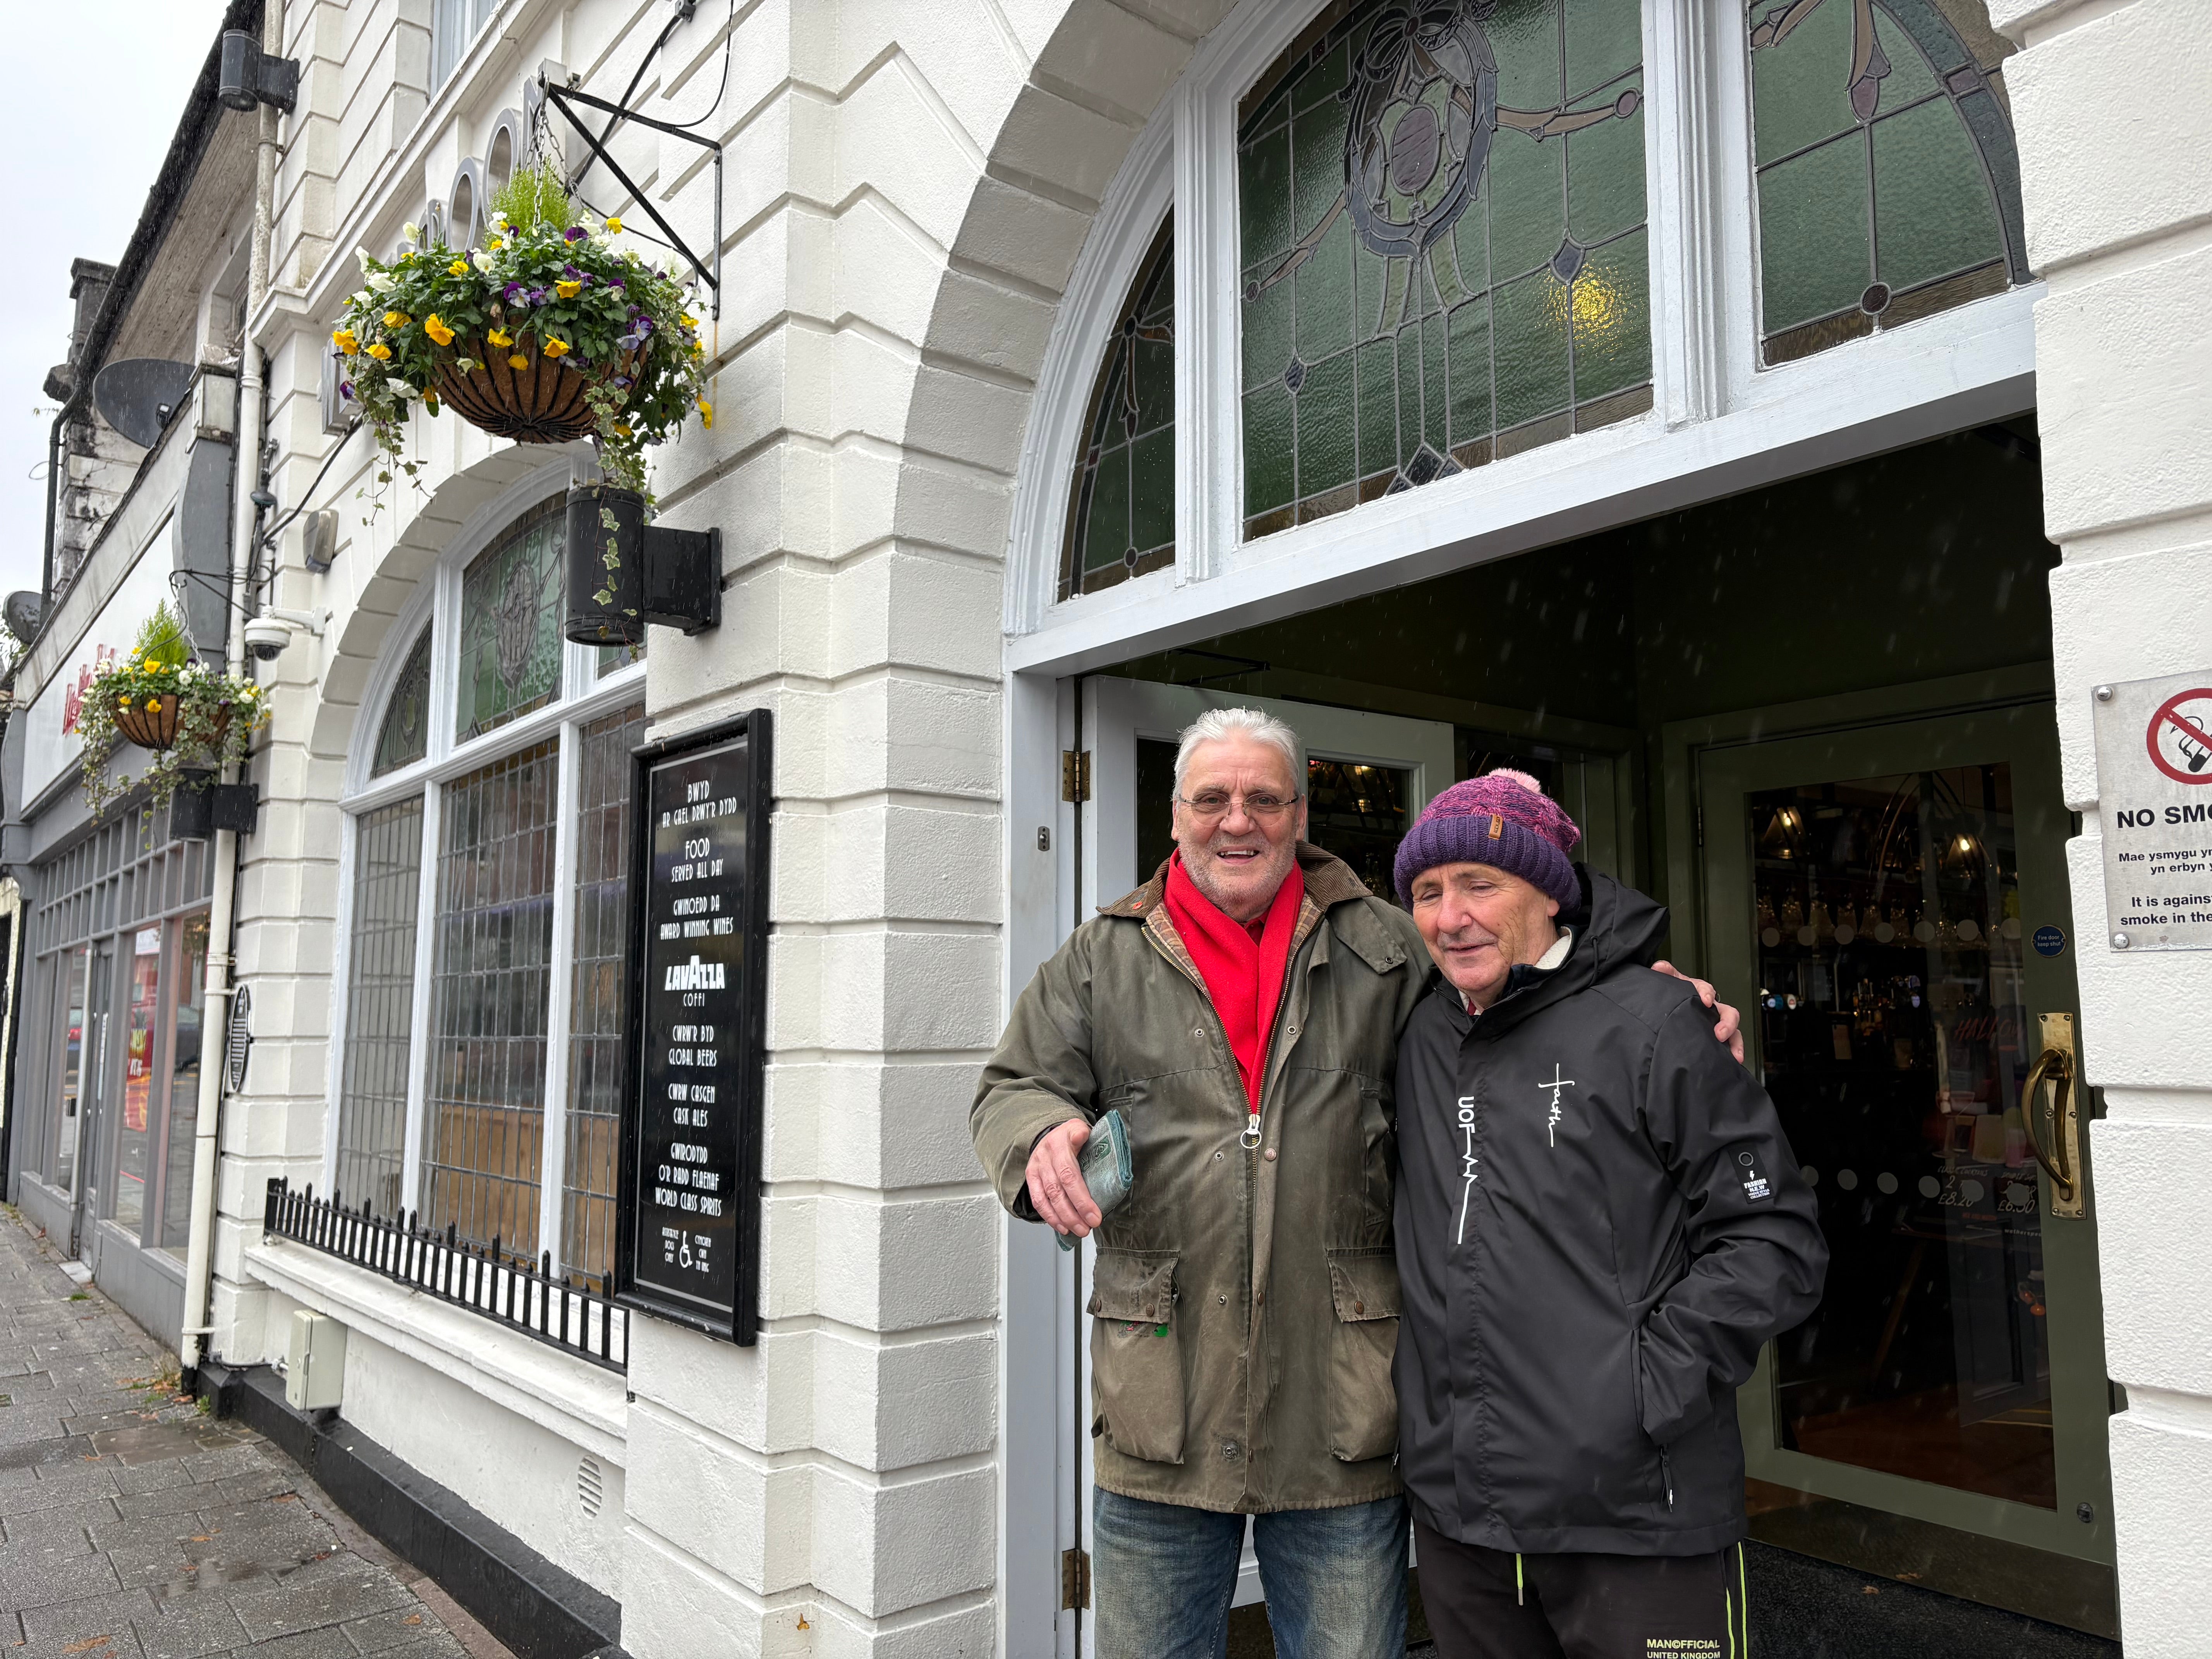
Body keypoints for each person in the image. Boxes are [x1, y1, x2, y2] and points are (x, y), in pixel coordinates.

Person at [972, 710, 1745, 1659]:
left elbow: (1527, 988)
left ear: (1301, 816)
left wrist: (1661, 1005)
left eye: (1264, 798)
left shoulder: (1394, 949)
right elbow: (1012, 1086)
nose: (1237, 820)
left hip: (1346, 1419)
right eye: (1210, 799)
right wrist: (1041, 1131)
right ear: (1175, 817)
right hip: (1156, 1416)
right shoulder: (1102, 959)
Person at [1389, 769, 1828, 1659]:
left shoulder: (1656, 1023)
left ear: (1550, 892)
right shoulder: (1418, 1032)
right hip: (1462, 1520)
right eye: (1428, 893)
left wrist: (1645, 1387)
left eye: (1481, 884)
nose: (1450, 915)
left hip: (1636, 1515)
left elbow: (1772, 1236)